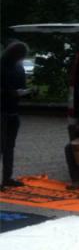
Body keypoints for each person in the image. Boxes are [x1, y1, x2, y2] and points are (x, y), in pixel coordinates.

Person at [0, 41, 34, 189]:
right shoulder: (3, 67)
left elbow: (22, 88)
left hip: (13, 110)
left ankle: (7, 177)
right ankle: (6, 178)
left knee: (9, 146)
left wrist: (28, 93)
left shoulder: (18, 68)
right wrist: (12, 93)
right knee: (2, 146)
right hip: (2, 110)